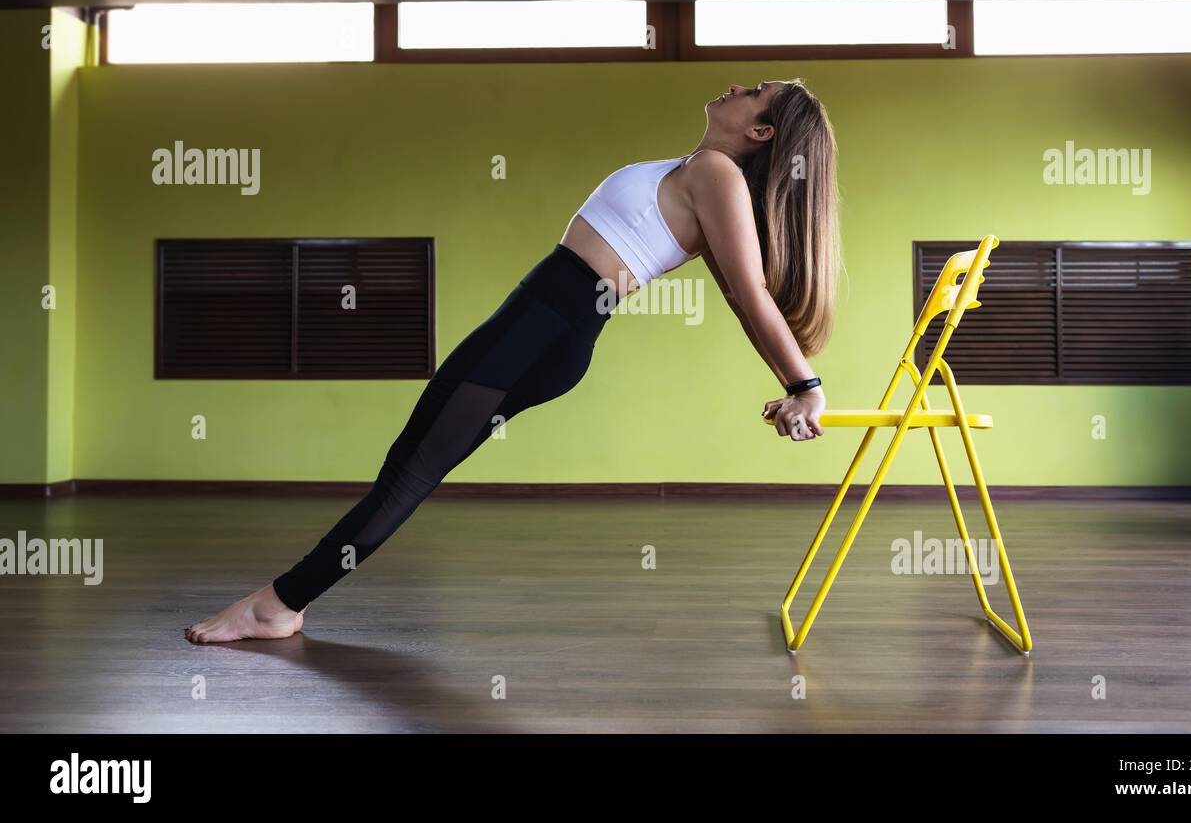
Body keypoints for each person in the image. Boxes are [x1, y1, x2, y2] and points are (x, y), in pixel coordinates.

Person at [185, 78, 842, 643]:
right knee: (410, 470)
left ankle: (277, 607)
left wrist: (804, 385)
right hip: (540, 325)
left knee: (407, 475)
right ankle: (282, 605)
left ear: (759, 129)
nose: (738, 85)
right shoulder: (699, 170)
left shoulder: (716, 174)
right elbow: (740, 289)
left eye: (755, 91)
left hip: (545, 328)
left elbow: (746, 293)